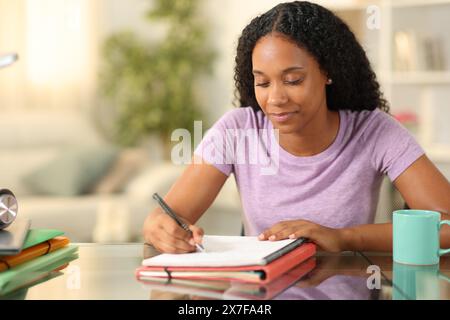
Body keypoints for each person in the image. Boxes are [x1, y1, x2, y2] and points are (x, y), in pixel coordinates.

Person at [143, 1, 450, 254]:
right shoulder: (238, 130)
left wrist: (343, 238)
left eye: (293, 80)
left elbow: (447, 225)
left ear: (327, 72)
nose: (275, 98)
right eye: (262, 82)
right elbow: (164, 218)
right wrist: (163, 229)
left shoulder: (374, 132)